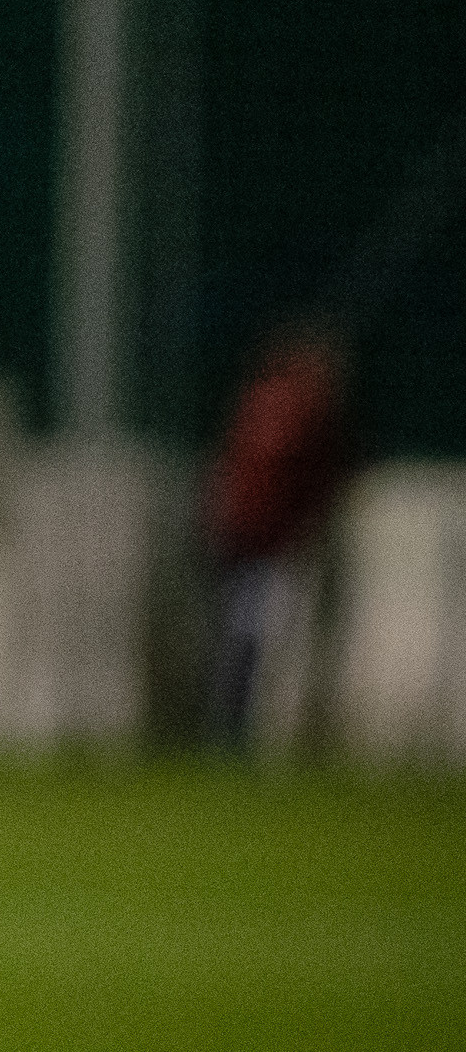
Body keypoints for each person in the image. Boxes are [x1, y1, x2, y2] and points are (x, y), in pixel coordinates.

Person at [203, 319, 358, 757]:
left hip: (238, 539)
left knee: (241, 637)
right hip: (269, 545)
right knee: (260, 640)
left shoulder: (258, 399)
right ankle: (241, 733)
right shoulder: (306, 411)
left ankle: (233, 729)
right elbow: (310, 481)